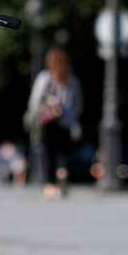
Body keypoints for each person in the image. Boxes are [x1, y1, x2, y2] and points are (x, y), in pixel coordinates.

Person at [26, 46, 83, 199]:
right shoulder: (72, 80)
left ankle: (50, 185)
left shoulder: (45, 77)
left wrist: (39, 112)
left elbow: (34, 101)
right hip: (65, 123)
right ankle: (62, 173)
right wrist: (71, 117)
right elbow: (78, 104)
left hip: (47, 123)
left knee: (47, 154)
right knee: (63, 153)